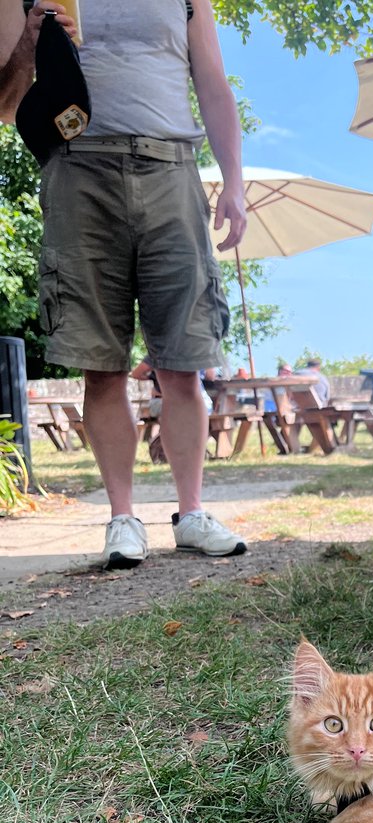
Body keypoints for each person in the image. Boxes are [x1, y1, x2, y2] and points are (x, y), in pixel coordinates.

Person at [0, 0, 248, 568]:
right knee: (100, 363)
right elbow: (7, 101)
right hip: (76, 168)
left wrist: (233, 182)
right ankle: (123, 518)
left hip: (172, 167)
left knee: (184, 360)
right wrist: (27, 44)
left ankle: (191, 514)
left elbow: (212, 84)